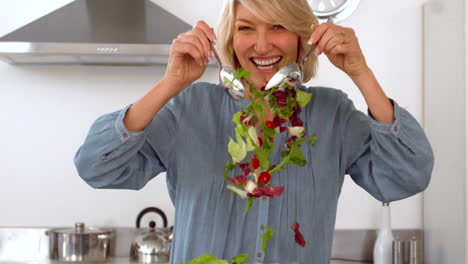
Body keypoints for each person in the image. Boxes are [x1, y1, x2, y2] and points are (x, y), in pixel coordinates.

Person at [74, 0, 434, 263]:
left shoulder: (332, 114)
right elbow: (94, 166)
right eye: (247, 28)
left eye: (278, 26)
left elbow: (407, 176)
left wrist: (360, 72)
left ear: (301, 39)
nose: (262, 45)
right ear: (231, 39)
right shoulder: (189, 110)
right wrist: (170, 84)